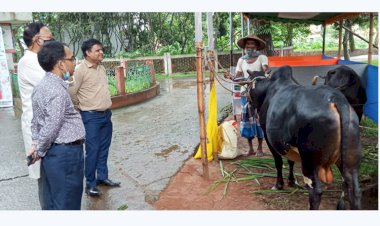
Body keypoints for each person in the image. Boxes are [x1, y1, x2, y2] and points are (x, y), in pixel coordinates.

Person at [27, 41, 85, 210]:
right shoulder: (57, 91)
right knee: (68, 203)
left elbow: (36, 120)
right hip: (65, 155)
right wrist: (39, 148)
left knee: (53, 201)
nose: (74, 63)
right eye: (72, 59)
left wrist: (36, 144)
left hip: (54, 155)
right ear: (60, 64)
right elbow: (52, 124)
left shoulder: (41, 86)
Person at [69, 38, 120, 197]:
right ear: (88, 53)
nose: (101, 52)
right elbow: (71, 92)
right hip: (91, 117)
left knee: (104, 148)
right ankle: (90, 183)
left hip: (106, 115)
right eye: (97, 50)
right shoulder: (80, 70)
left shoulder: (100, 68)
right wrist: (80, 107)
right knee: (92, 150)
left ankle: (102, 178)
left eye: (101, 50)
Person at [226, 34, 270, 157]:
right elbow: (237, 77)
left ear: (256, 46)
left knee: (260, 119)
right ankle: (250, 148)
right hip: (246, 93)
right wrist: (231, 77)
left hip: (260, 93)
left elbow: (266, 69)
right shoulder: (241, 60)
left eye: (252, 44)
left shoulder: (262, 57)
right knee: (247, 120)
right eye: (247, 44)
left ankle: (260, 148)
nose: (249, 46)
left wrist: (267, 72)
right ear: (244, 47)